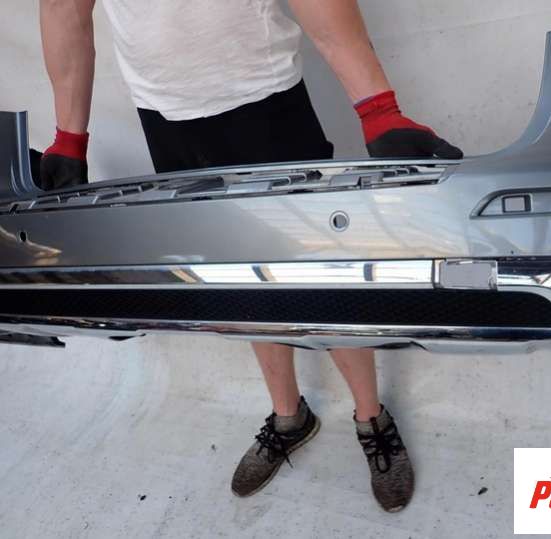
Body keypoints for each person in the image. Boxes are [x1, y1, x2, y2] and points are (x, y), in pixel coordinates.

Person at [39, 0, 462, 513]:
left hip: (263, 95)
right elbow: (63, 7)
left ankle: (371, 417)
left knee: (318, 277)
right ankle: (289, 416)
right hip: (165, 112)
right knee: (235, 277)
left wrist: (378, 110)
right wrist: (68, 138)